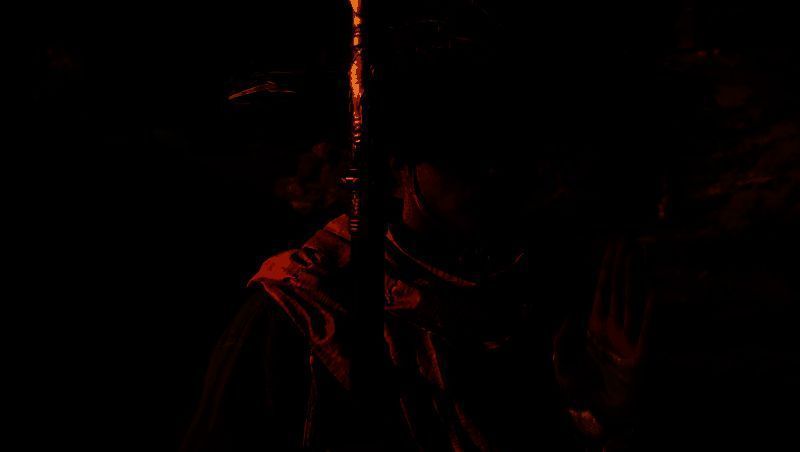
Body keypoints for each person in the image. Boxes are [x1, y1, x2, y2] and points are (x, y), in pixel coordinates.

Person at [181, 8, 654, 452]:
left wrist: (601, 414)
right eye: (462, 153)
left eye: (509, 150)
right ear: (400, 161)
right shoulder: (306, 308)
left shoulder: (537, 299)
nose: (493, 173)